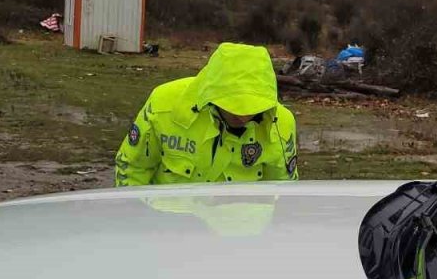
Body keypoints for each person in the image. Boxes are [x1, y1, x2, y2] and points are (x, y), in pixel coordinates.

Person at [115, 42, 299, 187]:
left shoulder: (281, 123)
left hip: (242, 230)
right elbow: (133, 168)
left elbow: (283, 191)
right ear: (211, 94)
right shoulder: (164, 104)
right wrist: (136, 222)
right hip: (170, 227)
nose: (242, 116)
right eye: (232, 104)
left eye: (252, 108)